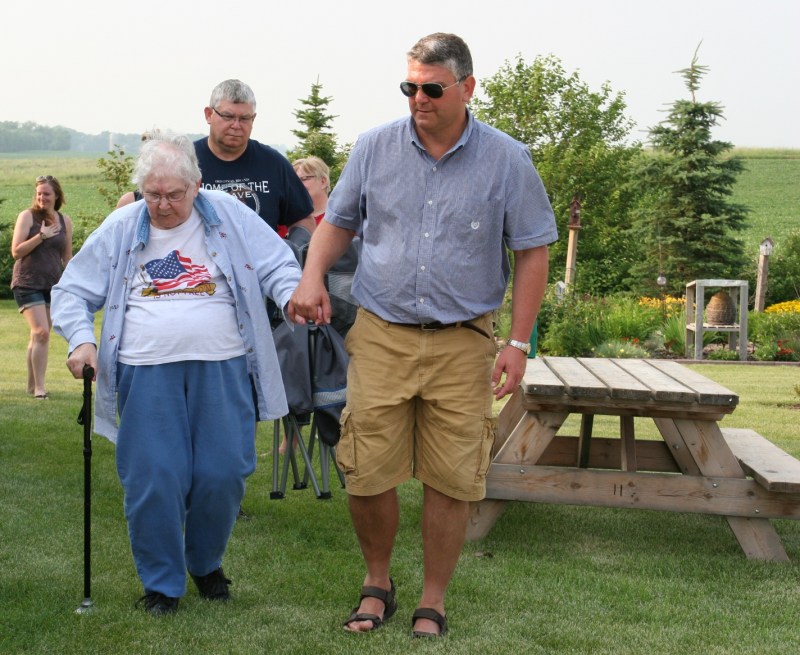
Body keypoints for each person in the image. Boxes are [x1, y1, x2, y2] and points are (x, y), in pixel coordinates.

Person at [289, 32, 557, 638]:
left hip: (464, 341)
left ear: (467, 87)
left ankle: (432, 600)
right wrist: (311, 277)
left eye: (432, 88)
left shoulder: (507, 159)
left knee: (452, 475)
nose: (418, 99)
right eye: (409, 87)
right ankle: (377, 583)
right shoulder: (374, 147)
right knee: (366, 468)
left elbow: (533, 251)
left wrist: (518, 344)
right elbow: (338, 223)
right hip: (381, 334)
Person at [51, 133, 302, 616]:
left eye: (173, 195)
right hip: (145, 370)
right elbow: (71, 291)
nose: (162, 206)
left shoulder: (228, 214)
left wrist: (292, 295)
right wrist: (82, 339)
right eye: (152, 195)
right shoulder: (124, 224)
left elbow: (277, 265)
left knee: (224, 472)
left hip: (224, 365)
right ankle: (162, 584)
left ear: (196, 184)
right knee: (155, 477)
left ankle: (204, 562)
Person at [194, 79, 316, 236]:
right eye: (228, 116)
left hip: (263, 252)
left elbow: (303, 219)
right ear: (209, 114)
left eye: (244, 118)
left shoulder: (273, 164)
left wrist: (295, 246)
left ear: (253, 118)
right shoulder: (185, 162)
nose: (236, 125)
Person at [10, 175, 73, 399]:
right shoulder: (27, 216)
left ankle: (30, 385)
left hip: (52, 284)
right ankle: (40, 389)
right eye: (39, 193)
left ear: (56, 196)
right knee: (41, 332)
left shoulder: (65, 221)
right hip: (27, 282)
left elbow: (67, 257)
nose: (42, 197)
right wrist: (41, 236)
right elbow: (16, 251)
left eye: (46, 194)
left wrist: (73, 283)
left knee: (38, 336)